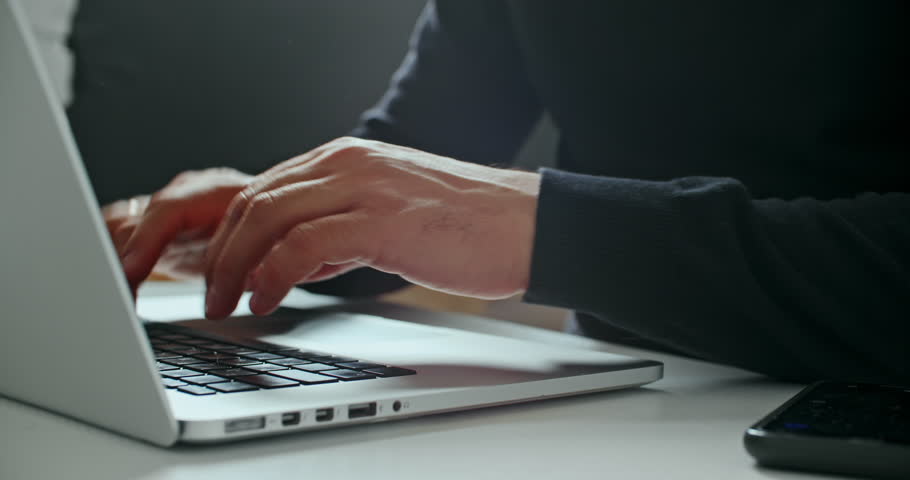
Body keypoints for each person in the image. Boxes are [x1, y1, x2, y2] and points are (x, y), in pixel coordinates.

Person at [106, 2, 909, 384]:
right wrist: (273, 212)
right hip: (626, 396)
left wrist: (545, 229)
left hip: (857, 411)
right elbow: (420, 166)